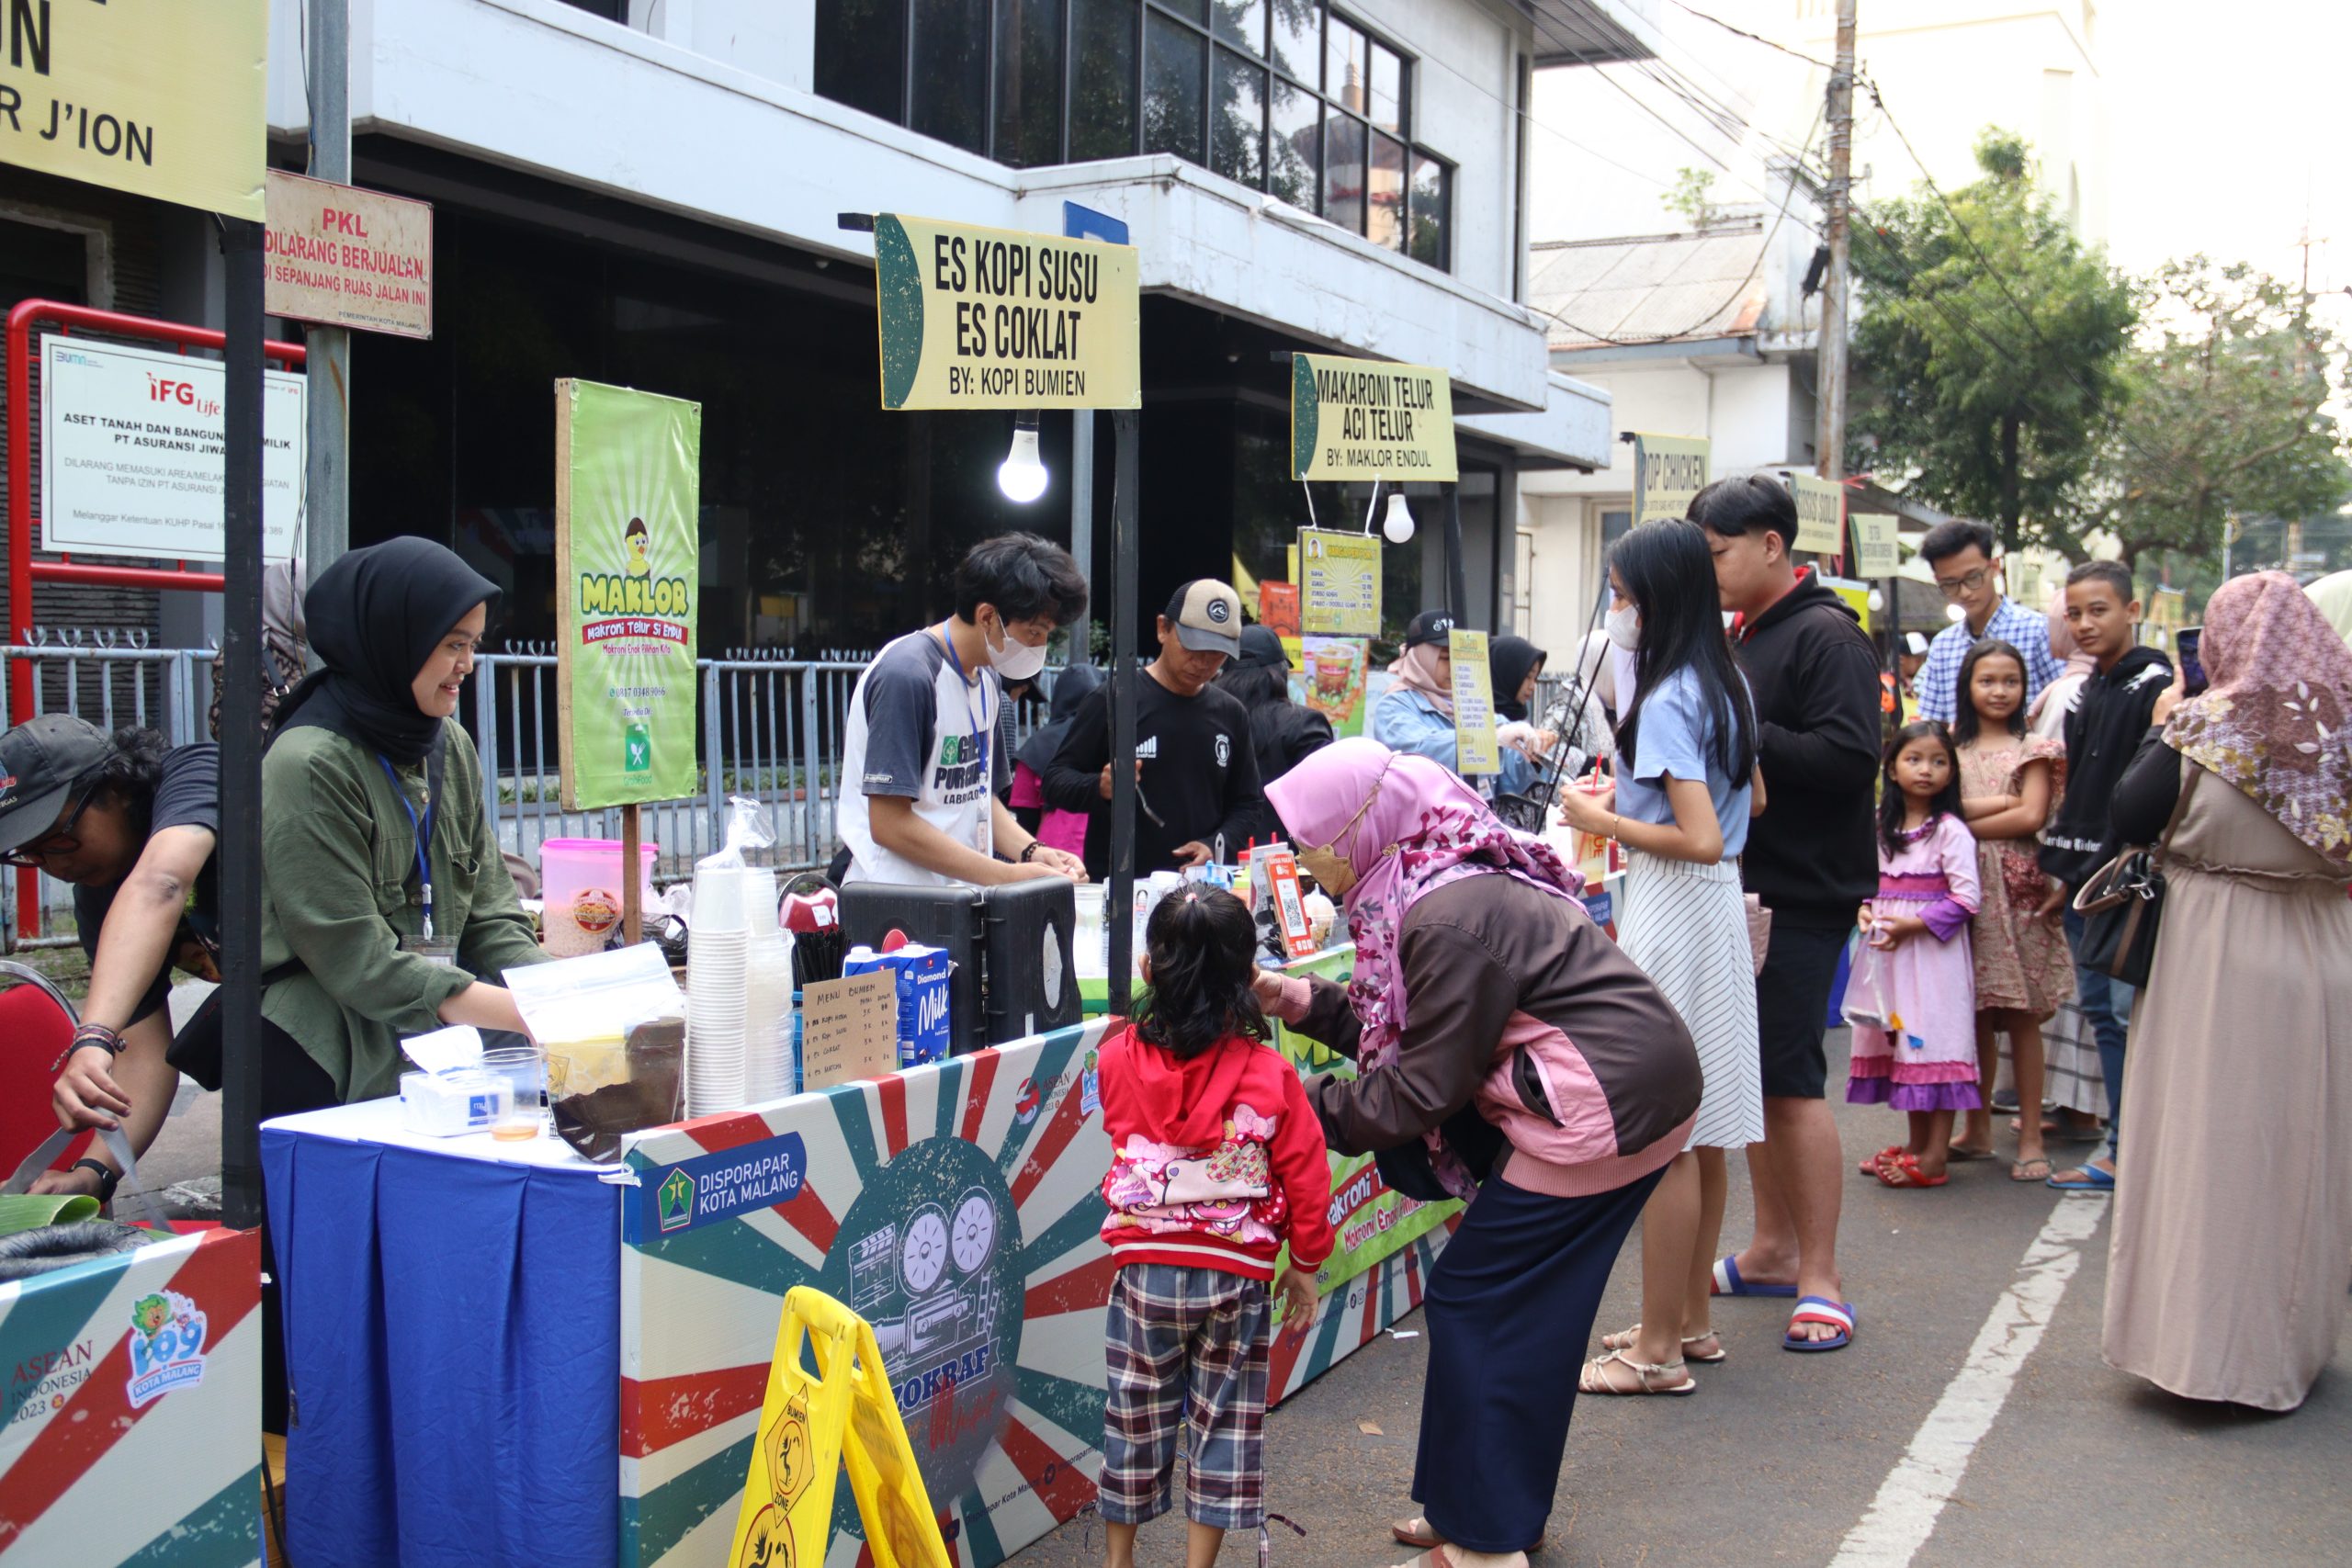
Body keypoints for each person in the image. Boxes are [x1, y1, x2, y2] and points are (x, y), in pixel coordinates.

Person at [1260, 739, 1702, 1562]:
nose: (1300, 853)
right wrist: (1304, 1002)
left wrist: (1278, 1101)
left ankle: (1490, 1535)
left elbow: (1416, 1089)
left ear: (1358, 824)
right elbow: (1422, 1045)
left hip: (1598, 1110)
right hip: (1618, 1089)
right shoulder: (1434, 882)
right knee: (1502, 1305)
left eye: (1307, 833)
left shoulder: (1442, 914)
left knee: (1487, 1303)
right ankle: (1471, 1507)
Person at [256, 537, 552, 1432]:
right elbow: (356, 961)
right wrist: (526, 1014)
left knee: (420, 1279)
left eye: (473, 642)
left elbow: (492, 912)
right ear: (389, 639)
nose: (467, 664)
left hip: (433, 1054)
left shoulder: (449, 747)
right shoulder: (306, 766)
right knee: (327, 1296)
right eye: (450, 643)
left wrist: (570, 1002)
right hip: (320, 1057)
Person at [2099, 571, 2352, 1411]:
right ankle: (2288, 1343)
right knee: (2299, 1152)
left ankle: (2205, 1353)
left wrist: (2167, 721)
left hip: (2217, 947)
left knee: (2208, 1149)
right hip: (2322, 948)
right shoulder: (2343, 729)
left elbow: (2129, 816)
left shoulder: (2206, 725)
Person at [1555, 521, 1765, 1394]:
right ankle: (1687, 1323)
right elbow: (1750, 795)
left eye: (1623, 594)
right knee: (1705, 1132)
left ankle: (1658, 1353)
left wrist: (1603, 820)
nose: (1616, 611)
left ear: (1657, 598)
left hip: (1676, 908)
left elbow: (1701, 835)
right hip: (1709, 913)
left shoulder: (1675, 691)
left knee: (1669, 1137)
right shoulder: (1726, 680)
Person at [1692, 476, 1880, 1345]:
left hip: (1805, 891)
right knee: (1756, 1081)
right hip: (1749, 885)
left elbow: (1848, 756)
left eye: (1719, 551)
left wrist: (1738, 724)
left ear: (1772, 545)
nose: (1710, 569)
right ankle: (1771, 1249)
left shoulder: (1827, 637)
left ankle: (1822, 1274)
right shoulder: (1746, 635)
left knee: (1795, 1079)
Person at [1096, 887, 1333, 1568]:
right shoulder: (1272, 1074)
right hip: (1236, 1276)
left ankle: (1119, 1561)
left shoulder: (1115, 1059)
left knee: (1135, 1416)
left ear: (1149, 970)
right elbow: (1307, 1175)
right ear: (1247, 979)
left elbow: (1121, 1128)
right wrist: (1308, 1262)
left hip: (1144, 1272)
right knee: (1223, 1423)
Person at [0, 718, 215, 1201]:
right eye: (30, 854)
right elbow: (141, 1051)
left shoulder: (197, 777)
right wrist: (92, 1174)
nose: (54, 866)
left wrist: (91, 1037)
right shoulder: (99, 891)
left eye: (58, 839)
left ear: (117, 787)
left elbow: (161, 882)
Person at [837, 534, 1091, 888]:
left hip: (962, 897)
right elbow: (889, 824)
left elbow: (980, 798)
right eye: (1034, 632)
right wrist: (1008, 875)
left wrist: (1032, 851)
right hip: (897, 899)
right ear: (987, 616)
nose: (1040, 646)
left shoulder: (987, 677)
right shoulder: (908, 674)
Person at [2037, 561, 2170, 1191]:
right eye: (2075, 613)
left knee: (2121, 1014)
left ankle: (2128, 1149)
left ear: (2133, 609)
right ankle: (2127, 1144)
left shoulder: (2156, 683)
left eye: (2099, 610)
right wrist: (2066, 872)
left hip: (2125, 878)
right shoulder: (2093, 687)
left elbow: (2145, 790)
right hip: (2085, 876)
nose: (2085, 624)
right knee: (2100, 1010)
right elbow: (2082, 790)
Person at [1946, 640, 2072, 1179]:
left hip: (2018, 887)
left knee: (2021, 1015)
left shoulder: (2035, 747)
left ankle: (2027, 1136)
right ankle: (1976, 1130)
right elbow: (1927, 806)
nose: (1999, 691)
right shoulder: (1949, 747)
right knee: (1972, 1013)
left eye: (2010, 681)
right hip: (1959, 888)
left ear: (2025, 688)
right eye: (1987, 680)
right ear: (1967, 686)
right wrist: (2000, 806)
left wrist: (1958, 820)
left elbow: (2032, 816)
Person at [1045, 581, 1265, 878]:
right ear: (1163, 628)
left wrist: (1214, 844)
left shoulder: (1231, 713)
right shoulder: (1113, 699)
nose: (1202, 662)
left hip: (1201, 894)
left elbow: (1248, 803)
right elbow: (1056, 780)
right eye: (1192, 646)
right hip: (1123, 891)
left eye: (1216, 653)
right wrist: (1100, 786)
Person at [1847, 722, 1981, 1190]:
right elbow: (1868, 883)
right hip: (1891, 959)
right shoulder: (1881, 826)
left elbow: (1967, 899)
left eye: (1939, 761)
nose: (1926, 770)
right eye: (1915, 759)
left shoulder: (1949, 832)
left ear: (1951, 773)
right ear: (1893, 767)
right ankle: (1917, 1146)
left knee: (1935, 1043)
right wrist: (1866, 911)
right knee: (1905, 1043)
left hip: (1932, 960)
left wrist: (1912, 925)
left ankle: (1936, 1156)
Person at [1913, 519, 2063, 726]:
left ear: (1994, 567)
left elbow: (2066, 708)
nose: (1964, 592)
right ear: (1937, 580)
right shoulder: (1943, 646)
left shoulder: (2039, 631)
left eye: (1973, 577)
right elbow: (1932, 726)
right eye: (1950, 584)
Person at [1213, 625, 1333, 841]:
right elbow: (1327, 799)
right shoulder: (1303, 723)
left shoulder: (1211, 719)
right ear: (1280, 673)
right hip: (1286, 864)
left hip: (1217, 859)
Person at [1010, 664, 1101, 856]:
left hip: (1051, 856)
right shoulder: (1117, 740)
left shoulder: (1035, 747)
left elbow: (1025, 819)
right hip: (1105, 856)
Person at [1371, 611, 1464, 773]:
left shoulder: (1468, 702)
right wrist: (1481, 741)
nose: (1454, 666)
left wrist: (1520, 742)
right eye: (1445, 658)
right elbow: (1417, 748)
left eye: (1459, 658)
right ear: (1420, 658)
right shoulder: (1394, 705)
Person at [1487, 635, 1559, 800]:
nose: (1532, 686)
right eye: (1527, 677)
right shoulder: (1481, 719)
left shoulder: (1519, 716)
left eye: (1535, 678)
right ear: (1507, 671)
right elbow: (1505, 778)